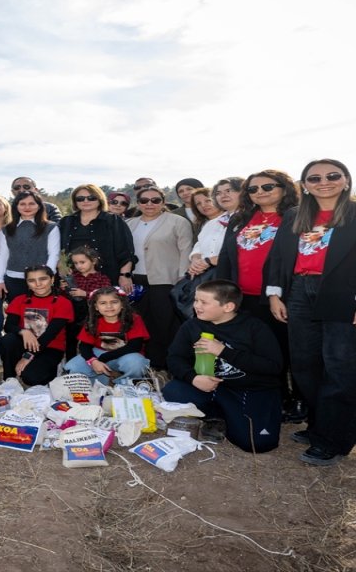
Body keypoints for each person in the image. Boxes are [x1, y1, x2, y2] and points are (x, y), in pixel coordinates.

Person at [265, 160, 356, 466]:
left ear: (346, 180)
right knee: (305, 365)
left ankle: (334, 439)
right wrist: (275, 294)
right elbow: (279, 257)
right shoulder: (295, 215)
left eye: (333, 176)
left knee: (342, 367)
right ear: (304, 185)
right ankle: (319, 425)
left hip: (345, 293)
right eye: (314, 178)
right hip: (299, 291)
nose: (324, 182)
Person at [161, 280, 284, 453]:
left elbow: (273, 366)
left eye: (204, 302)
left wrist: (223, 351)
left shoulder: (255, 328)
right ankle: (215, 417)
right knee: (173, 391)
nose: (196, 306)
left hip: (250, 389)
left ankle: (233, 418)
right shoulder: (192, 325)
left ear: (228, 307)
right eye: (196, 300)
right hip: (211, 387)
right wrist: (194, 378)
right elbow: (174, 358)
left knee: (258, 444)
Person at [216, 169, 300, 421]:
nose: (260, 192)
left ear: (284, 188)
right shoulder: (241, 218)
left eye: (268, 187)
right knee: (255, 351)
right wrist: (223, 293)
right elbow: (226, 257)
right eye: (253, 188)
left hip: (280, 297)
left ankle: (297, 400)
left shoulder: (296, 217)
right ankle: (269, 396)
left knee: (287, 351)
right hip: (243, 297)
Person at [126, 185, 193, 368]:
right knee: (140, 324)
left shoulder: (178, 222)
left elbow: (185, 250)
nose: (150, 204)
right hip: (136, 281)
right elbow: (124, 252)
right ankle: (144, 365)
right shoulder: (130, 223)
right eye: (144, 200)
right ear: (138, 203)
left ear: (163, 202)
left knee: (164, 325)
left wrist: (182, 277)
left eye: (155, 200)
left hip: (166, 280)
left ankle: (165, 366)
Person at [0, 265, 75, 386]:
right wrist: (24, 332)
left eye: (43, 279)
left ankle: (52, 368)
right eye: (32, 280)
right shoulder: (19, 300)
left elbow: (49, 335)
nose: (38, 284)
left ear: (52, 279)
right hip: (24, 344)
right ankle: (9, 379)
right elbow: (8, 326)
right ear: (27, 283)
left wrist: (27, 356)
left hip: (50, 347)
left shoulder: (63, 303)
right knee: (8, 340)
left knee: (31, 378)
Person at [63, 286, 151, 384]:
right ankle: (100, 384)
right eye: (103, 303)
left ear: (122, 304)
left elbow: (135, 346)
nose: (109, 306)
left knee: (137, 364)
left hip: (126, 355)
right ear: (96, 307)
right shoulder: (93, 321)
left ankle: (125, 386)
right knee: (72, 367)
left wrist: (105, 357)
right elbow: (84, 346)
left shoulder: (133, 319)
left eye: (114, 302)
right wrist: (93, 361)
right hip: (99, 353)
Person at [57, 183, 135, 290]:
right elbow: (59, 249)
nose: (85, 201)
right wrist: (62, 266)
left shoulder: (113, 221)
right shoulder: (66, 222)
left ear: (100, 199)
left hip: (107, 279)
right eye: (80, 198)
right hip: (72, 280)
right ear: (75, 202)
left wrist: (125, 276)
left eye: (91, 198)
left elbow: (126, 252)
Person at [0, 192, 61, 301]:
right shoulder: (7, 229)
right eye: (22, 204)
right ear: (16, 206)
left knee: (41, 310)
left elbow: (54, 254)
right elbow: (3, 255)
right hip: (14, 279)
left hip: (41, 281)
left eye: (31, 203)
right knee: (17, 310)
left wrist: (47, 277)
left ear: (39, 206)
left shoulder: (50, 227)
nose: (27, 207)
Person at [188, 178, 243, 278]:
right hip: (210, 277)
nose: (223, 195)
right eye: (218, 193)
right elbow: (199, 247)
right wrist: (196, 261)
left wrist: (211, 260)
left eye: (228, 191)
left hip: (238, 276)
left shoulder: (251, 220)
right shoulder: (211, 224)